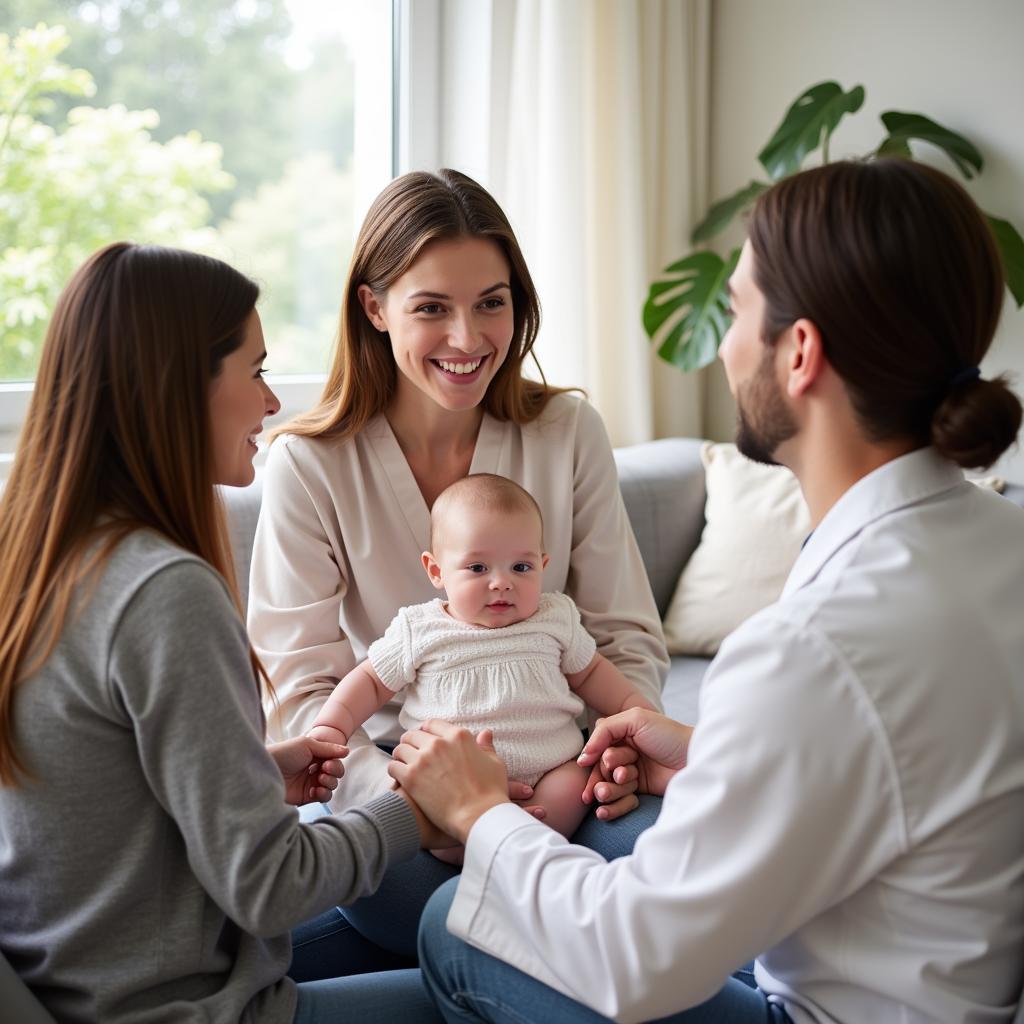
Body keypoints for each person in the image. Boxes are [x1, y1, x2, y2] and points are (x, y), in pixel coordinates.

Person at [395, 158, 1024, 1023]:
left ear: (799, 353)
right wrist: (708, 749)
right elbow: (908, 765)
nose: (726, 345)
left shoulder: (813, 647)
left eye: (735, 311)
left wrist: (476, 813)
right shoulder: (997, 545)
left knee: (456, 926)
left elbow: (632, 962)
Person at [0, 242, 443, 1023]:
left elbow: (85, 803)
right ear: (179, 387)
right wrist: (421, 804)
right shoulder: (162, 591)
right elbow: (271, 883)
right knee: (483, 967)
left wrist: (254, 773)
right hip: (175, 1005)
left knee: (424, 933)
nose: (272, 406)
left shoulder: (41, 557)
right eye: (258, 371)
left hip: (78, 975)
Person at [247, 168, 669, 957]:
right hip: (394, 797)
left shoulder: (567, 430)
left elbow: (624, 636)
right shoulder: (309, 464)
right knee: (452, 915)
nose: (469, 340)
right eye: (432, 308)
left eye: (492, 302)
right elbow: (302, 688)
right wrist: (412, 805)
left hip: (564, 784)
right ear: (374, 308)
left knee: (663, 876)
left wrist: (611, 754)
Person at [307, 473, 656, 862]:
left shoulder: (554, 618)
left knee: (577, 783)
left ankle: (527, 844)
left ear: (542, 565)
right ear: (436, 570)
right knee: (419, 809)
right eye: (477, 568)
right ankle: (478, 842)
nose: (501, 583)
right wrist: (330, 727)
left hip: (550, 770)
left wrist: (639, 713)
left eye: (521, 568)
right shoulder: (420, 629)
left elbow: (592, 673)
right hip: (453, 780)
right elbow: (371, 681)